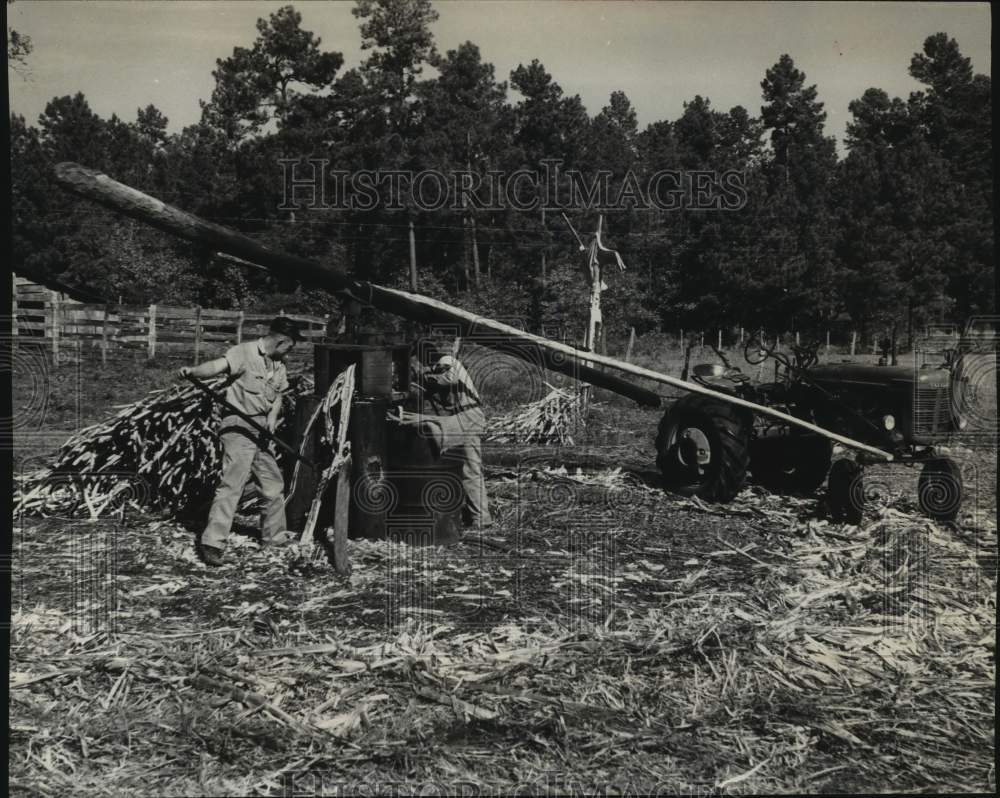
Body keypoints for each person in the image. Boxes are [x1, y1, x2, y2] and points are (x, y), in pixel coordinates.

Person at [179, 316, 302, 566]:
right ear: (281, 340)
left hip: (261, 431)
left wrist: (273, 417)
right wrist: (193, 371)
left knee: (272, 485)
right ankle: (212, 543)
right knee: (233, 483)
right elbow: (216, 366)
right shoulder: (244, 352)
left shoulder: (279, 365)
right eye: (291, 345)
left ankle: (275, 538)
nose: (291, 350)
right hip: (238, 425)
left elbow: (277, 395)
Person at [398, 339, 493, 528]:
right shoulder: (437, 367)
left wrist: (424, 379)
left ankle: (481, 518)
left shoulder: (447, 360)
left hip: (469, 417)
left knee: (470, 468)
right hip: (464, 419)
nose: (421, 364)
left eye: (420, 359)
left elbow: (450, 378)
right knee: (466, 468)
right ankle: (478, 516)